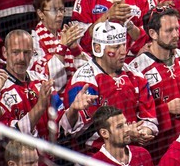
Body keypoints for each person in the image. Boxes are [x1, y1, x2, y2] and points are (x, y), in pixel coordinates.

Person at [0, 30, 87, 166]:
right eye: (16, 52)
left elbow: (62, 125)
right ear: (4, 52)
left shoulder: (40, 80)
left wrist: (73, 109)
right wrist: (40, 106)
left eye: (26, 52)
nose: (21, 58)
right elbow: (1, 137)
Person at [66, 21, 159, 152]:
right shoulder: (84, 81)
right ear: (98, 49)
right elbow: (75, 132)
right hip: (95, 159)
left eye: (123, 45)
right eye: (115, 47)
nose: (123, 52)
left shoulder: (136, 75)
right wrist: (124, 133)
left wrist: (143, 132)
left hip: (131, 153)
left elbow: (150, 119)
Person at [128, 7, 180, 158]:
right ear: (153, 34)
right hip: (158, 150)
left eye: (177, 28)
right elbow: (132, 116)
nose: (176, 34)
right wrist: (166, 109)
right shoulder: (136, 71)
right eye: (169, 30)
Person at [29, 0, 87, 91]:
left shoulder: (65, 35)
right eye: (54, 10)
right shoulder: (33, 41)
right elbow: (47, 80)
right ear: (40, 13)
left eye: (61, 9)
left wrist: (75, 49)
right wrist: (62, 47)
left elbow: (88, 71)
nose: (60, 14)